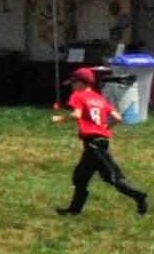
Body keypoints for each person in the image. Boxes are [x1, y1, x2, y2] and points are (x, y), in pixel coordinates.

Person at [56, 65, 146, 216]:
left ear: (82, 83)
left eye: (73, 82)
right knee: (80, 177)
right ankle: (74, 210)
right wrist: (104, 127)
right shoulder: (100, 98)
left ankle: (138, 195)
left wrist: (59, 118)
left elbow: (76, 115)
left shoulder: (78, 96)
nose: (72, 86)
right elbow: (118, 118)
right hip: (99, 141)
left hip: (93, 145)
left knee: (113, 178)